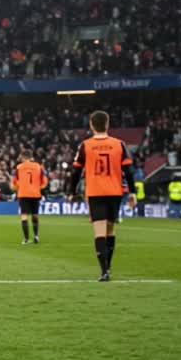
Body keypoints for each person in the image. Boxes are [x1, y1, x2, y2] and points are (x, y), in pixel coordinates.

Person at [67, 111, 137, 282]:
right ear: (107, 124)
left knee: (99, 230)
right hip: (115, 192)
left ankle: (104, 270)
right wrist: (133, 192)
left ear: (91, 125)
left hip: (96, 192)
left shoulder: (85, 145)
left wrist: (71, 191)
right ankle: (109, 267)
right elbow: (129, 171)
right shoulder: (119, 144)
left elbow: (76, 171)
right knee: (111, 230)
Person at [12, 151, 46, 245]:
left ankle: (26, 239)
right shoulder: (38, 166)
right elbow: (44, 181)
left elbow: (14, 181)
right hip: (35, 194)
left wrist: (20, 187)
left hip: (23, 194)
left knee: (24, 216)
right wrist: (38, 188)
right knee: (35, 215)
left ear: (23, 158)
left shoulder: (19, 167)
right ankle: (36, 236)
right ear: (31, 157)